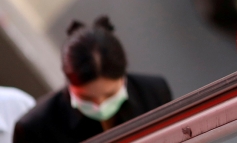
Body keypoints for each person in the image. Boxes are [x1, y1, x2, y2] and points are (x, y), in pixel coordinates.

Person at [14, 17, 172, 143]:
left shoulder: (154, 92)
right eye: (87, 98)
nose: (100, 106)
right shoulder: (36, 129)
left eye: (110, 95)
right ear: (69, 82)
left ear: (123, 76)